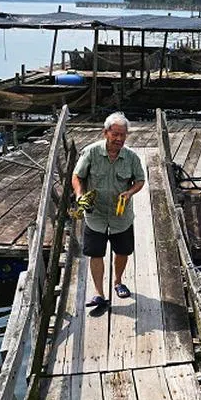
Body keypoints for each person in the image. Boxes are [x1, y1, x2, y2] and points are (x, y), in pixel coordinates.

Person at [71, 112, 145, 311]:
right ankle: (99, 293)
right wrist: (79, 195)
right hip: (95, 212)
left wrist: (129, 192)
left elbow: (140, 180)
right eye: (116, 134)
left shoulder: (131, 157)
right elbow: (77, 176)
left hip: (121, 214)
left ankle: (118, 282)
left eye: (123, 135)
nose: (119, 139)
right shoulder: (91, 152)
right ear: (106, 133)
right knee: (95, 253)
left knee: (122, 251)